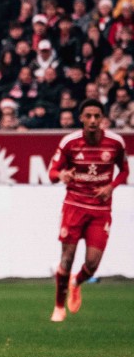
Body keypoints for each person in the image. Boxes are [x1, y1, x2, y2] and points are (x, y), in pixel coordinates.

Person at [47, 99, 129, 322]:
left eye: (97, 116)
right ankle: (58, 307)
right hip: (74, 206)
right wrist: (62, 175)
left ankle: (76, 282)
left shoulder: (115, 142)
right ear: (81, 118)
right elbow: (52, 173)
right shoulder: (70, 142)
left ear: (103, 118)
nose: (93, 120)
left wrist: (111, 187)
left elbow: (124, 171)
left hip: (101, 210)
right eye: (88, 116)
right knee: (67, 258)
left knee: (92, 264)